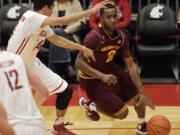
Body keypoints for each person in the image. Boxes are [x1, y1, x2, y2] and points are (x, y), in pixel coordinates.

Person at [6, 0, 109, 135]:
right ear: (44, 8)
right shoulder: (32, 17)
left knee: (65, 90)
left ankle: (58, 127)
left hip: (30, 63)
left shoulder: (40, 23)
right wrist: (90, 11)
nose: (52, 10)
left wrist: (82, 48)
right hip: (13, 66)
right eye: (52, 8)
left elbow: (57, 40)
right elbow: (63, 20)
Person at [76, 3, 155, 135]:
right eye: (108, 17)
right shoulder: (94, 37)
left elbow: (130, 64)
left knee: (138, 97)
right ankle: (90, 105)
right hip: (91, 78)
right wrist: (102, 76)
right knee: (122, 114)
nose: (113, 20)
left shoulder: (121, 36)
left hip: (111, 70)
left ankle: (142, 125)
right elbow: (78, 62)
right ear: (101, 18)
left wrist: (141, 90)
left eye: (115, 16)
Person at [0, 50, 49, 135]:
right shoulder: (17, 58)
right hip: (37, 125)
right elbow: (44, 92)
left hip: (13, 127)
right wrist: (31, 111)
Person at [48, 0, 86, 83]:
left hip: (70, 35)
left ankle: (52, 72)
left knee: (58, 32)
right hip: (51, 35)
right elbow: (47, 19)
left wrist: (68, 30)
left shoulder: (75, 3)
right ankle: (67, 66)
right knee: (58, 32)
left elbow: (82, 21)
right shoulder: (51, 3)